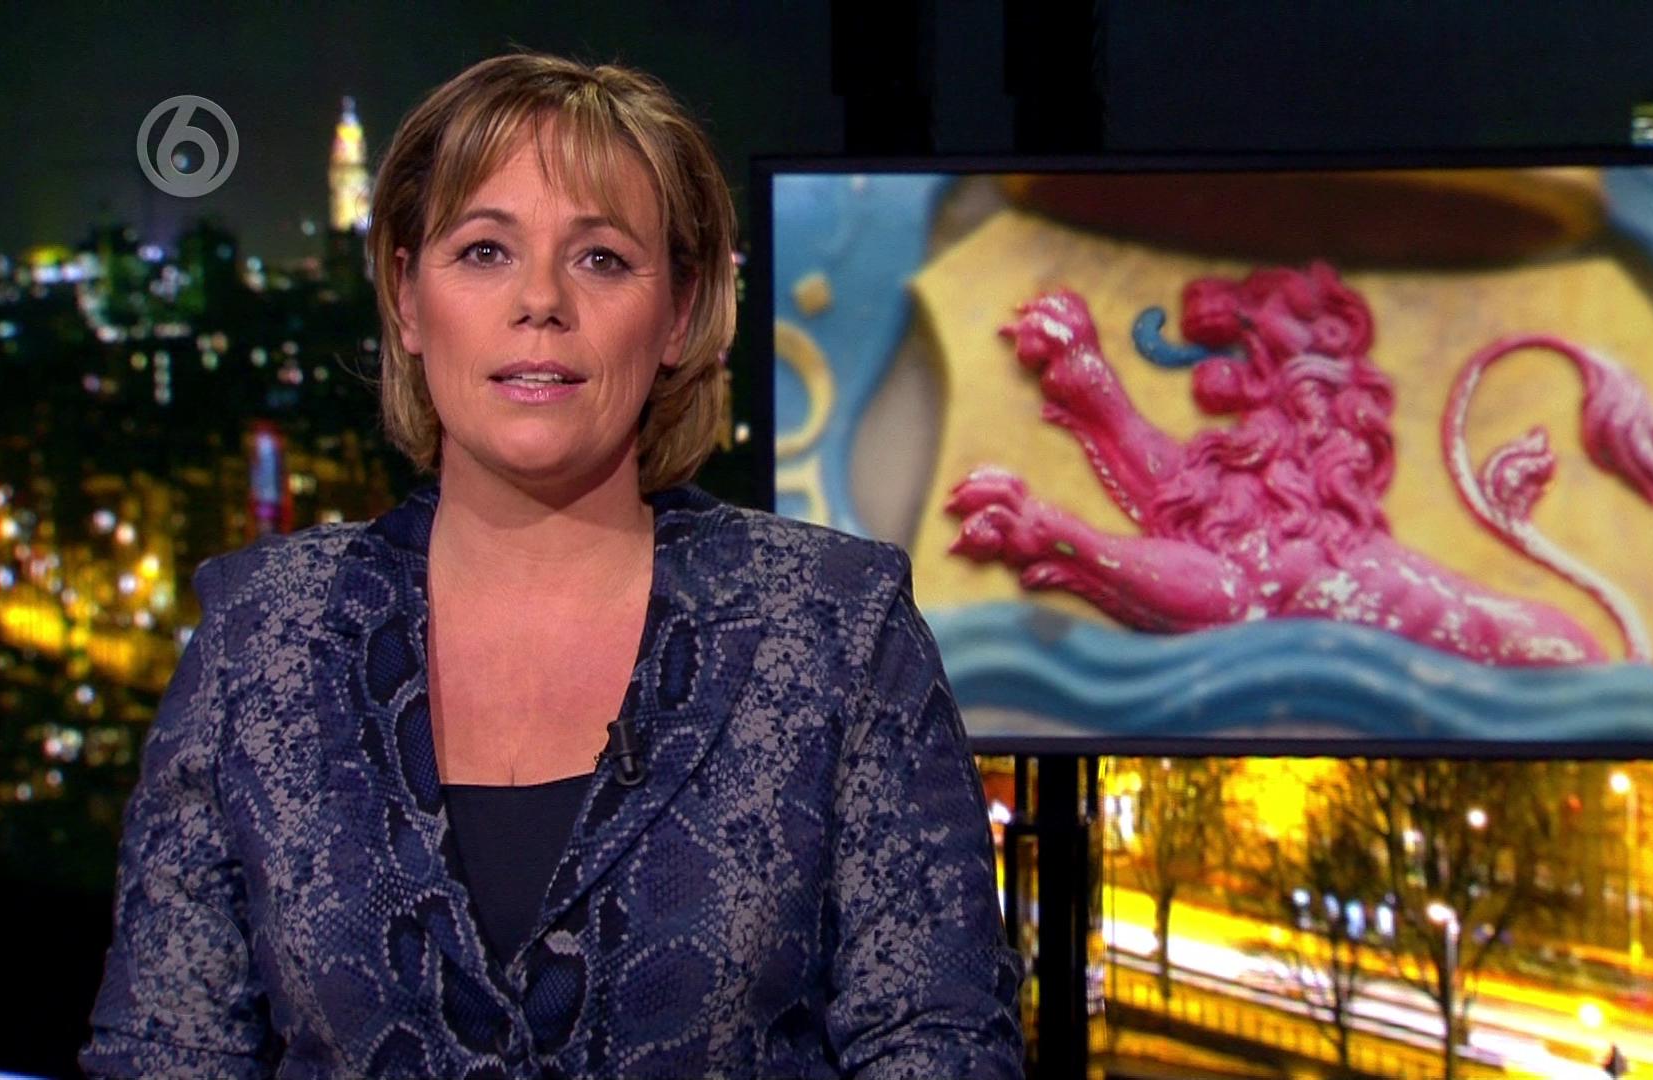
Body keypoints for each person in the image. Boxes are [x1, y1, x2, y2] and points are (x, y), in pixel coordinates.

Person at [81, 50, 1024, 1079]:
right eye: (485, 250)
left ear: (679, 310)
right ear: (406, 297)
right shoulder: (260, 637)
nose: (540, 300)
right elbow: (164, 1053)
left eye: (602, 259)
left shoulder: (839, 627)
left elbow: (938, 1045)